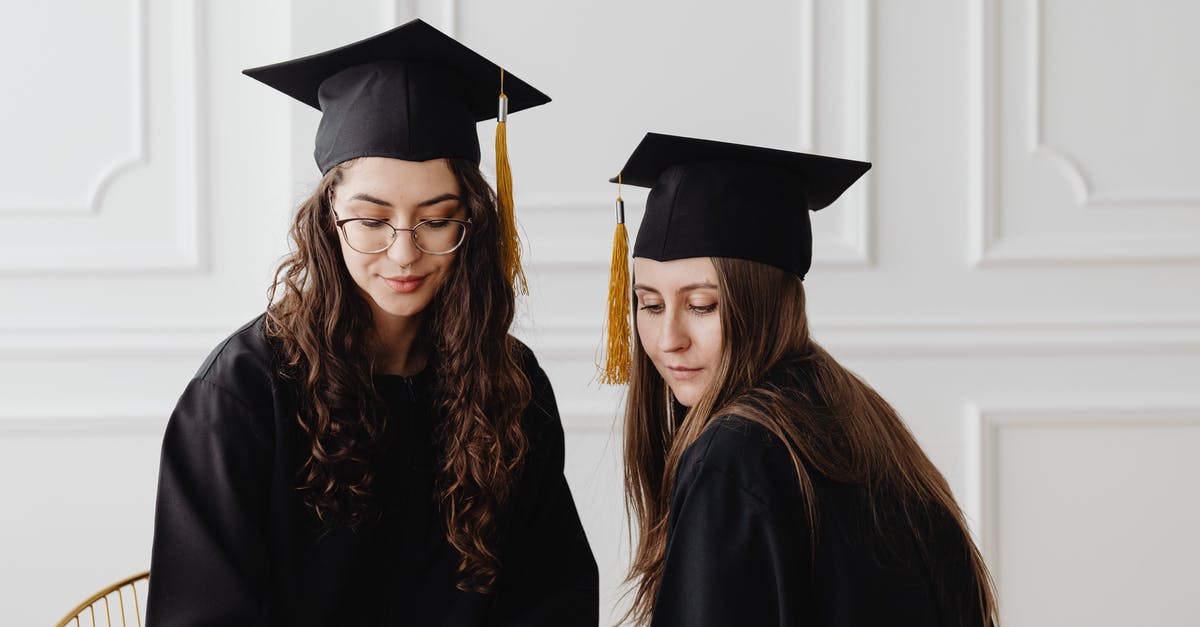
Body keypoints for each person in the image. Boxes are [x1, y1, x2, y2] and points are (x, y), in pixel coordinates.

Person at [146, 20, 598, 626]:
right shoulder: (244, 395)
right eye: (371, 219)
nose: (404, 252)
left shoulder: (510, 383)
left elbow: (552, 596)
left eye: (437, 221)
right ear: (327, 219)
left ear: (473, 226)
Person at [600, 133, 997, 626]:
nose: (666, 338)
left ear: (763, 302)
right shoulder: (855, 420)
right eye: (650, 305)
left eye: (702, 305)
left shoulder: (734, 456)